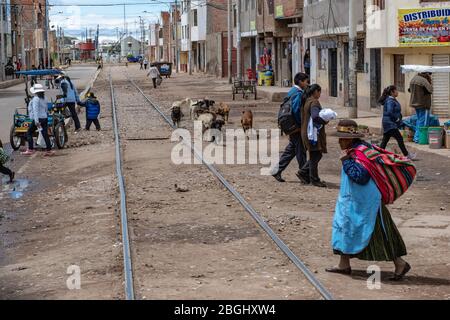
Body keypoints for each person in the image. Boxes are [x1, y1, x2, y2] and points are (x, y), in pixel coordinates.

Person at [327, 120, 411, 281]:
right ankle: (343, 264)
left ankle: (400, 263)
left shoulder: (359, 153)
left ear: (350, 139)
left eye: (342, 138)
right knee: (344, 227)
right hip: (353, 201)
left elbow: (361, 177)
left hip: (366, 203)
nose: (339, 141)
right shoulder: (355, 150)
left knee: (378, 233)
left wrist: (346, 162)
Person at [272, 72, 309, 183]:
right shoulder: (298, 93)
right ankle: (304, 174)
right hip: (295, 126)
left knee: (291, 150)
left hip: (289, 125)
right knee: (300, 150)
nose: (307, 84)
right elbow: (297, 110)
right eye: (306, 81)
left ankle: (277, 170)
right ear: (301, 82)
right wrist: (300, 125)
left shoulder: (292, 91)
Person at [299, 84, 328, 187]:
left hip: (306, 132)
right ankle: (313, 178)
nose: (320, 94)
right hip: (312, 134)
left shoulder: (307, 100)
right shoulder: (314, 102)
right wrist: (325, 120)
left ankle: (305, 173)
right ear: (316, 91)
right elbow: (315, 117)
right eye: (319, 92)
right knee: (316, 155)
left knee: (315, 155)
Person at [378, 85, 415, 159]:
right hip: (390, 123)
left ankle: (378, 154)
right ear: (392, 92)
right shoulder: (390, 101)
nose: (397, 92)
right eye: (396, 90)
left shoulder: (392, 100)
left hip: (388, 123)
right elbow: (389, 112)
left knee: (385, 140)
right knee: (399, 138)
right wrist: (397, 119)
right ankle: (407, 155)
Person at [21, 84, 54, 156]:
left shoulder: (36, 99)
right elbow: (46, 109)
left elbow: (35, 110)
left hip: (38, 119)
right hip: (44, 118)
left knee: (29, 132)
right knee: (45, 134)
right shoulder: (44, 97)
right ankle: (49, 150)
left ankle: (30, 149)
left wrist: (36, 121)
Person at [409, 72, 433, 143]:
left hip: (415, 104)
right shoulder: (423, 80)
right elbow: (431, 89)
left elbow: (409, 90)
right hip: (423, 104)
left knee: (419, 121)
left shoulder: (413, 79)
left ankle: (416, 137)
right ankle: (419, 138)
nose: (430, 76)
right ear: (426, 74)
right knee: (424, 123)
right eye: (429, 74)